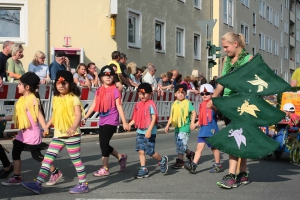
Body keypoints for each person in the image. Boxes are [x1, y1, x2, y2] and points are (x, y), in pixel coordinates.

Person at [21, 70, 89, 194]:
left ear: (70, 85)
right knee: (47, 159)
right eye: (58, 82)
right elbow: (55, 114)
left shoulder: (73, 98)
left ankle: (83, 184)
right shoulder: (56, 98)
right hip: (58, 135)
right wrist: (46, 126)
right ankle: (38, 184)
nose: (61, 85)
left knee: (76, 160)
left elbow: (78, 114)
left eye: (64, 83)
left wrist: (74, 126)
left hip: (72, 135)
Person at [1, 72, 62, 186]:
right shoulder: (22, 99)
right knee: (16, 151)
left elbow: (39, 115)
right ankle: (17, 177)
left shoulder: (33, 99)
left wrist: (45, 127)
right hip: (24, 132)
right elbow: (17, 116)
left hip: (32, 132)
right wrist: (3, 118)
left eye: (19, 84)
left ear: (27, 87)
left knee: (36, 155)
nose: (17, 86)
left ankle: (55, 172)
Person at [212, 32, 252, 189]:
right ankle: (242, 174)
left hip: (243, 103)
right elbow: (222, 82)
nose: (225, 50)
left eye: (226, 46)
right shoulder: (226, 60)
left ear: (235, 44)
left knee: (235, 138)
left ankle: (232, 174)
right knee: (237, 138)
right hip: (229, 103)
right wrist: (213, 98)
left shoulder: (249, 59)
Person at [83, 65, 129, 177]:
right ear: (101, 77)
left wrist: (124, 122)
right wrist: (85, 117)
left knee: (103, 143)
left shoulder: (115, 91)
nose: (108, 78)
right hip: (103, 119)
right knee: (104, 144)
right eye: (105, 75)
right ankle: (120, 156)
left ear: (113, 78)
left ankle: (105, 168)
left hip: (112, 120)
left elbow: (119, 106)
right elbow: (94, 104)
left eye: (110, 76)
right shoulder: (99, 90)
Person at [128, 83, 169, 178]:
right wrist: (129, 124)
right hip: (140, 131)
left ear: (150, 94)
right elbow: (135, 118)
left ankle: (162, 160)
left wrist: (149, 130)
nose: (142, 96)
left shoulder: (151, 104)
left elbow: (154, 118)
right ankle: (143, 169)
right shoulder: (137, 105)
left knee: (149, 151)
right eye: (140, 94)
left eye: (144, 94)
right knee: (140, 150)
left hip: (149, 131)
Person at [184, 84, 223, 174]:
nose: (204, 95)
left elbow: (218, 111)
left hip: (211, 129)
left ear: (212, 94)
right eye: (202, 94)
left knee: (214, 148)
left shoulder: (213, 103)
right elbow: (201, 118)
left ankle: (218, 165)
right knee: (199, 148)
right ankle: (193, 165)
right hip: (203, 130)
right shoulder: (201, 105)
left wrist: (212, 107)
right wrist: (195, 124)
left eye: (207, 93)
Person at [164, 84, 196, 169]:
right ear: (175, 94)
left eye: (182, 92)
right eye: (178, 92)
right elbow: (172, 115)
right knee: (180, 143)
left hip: (185, 127)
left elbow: (194, 112)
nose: (180, 94)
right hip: (177, 127)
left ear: (185, 94)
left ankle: (180, 160)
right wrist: (168, 125)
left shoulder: (187, 103)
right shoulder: (175, 103)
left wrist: (192, 122)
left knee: (181, 144)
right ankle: (190, 153)